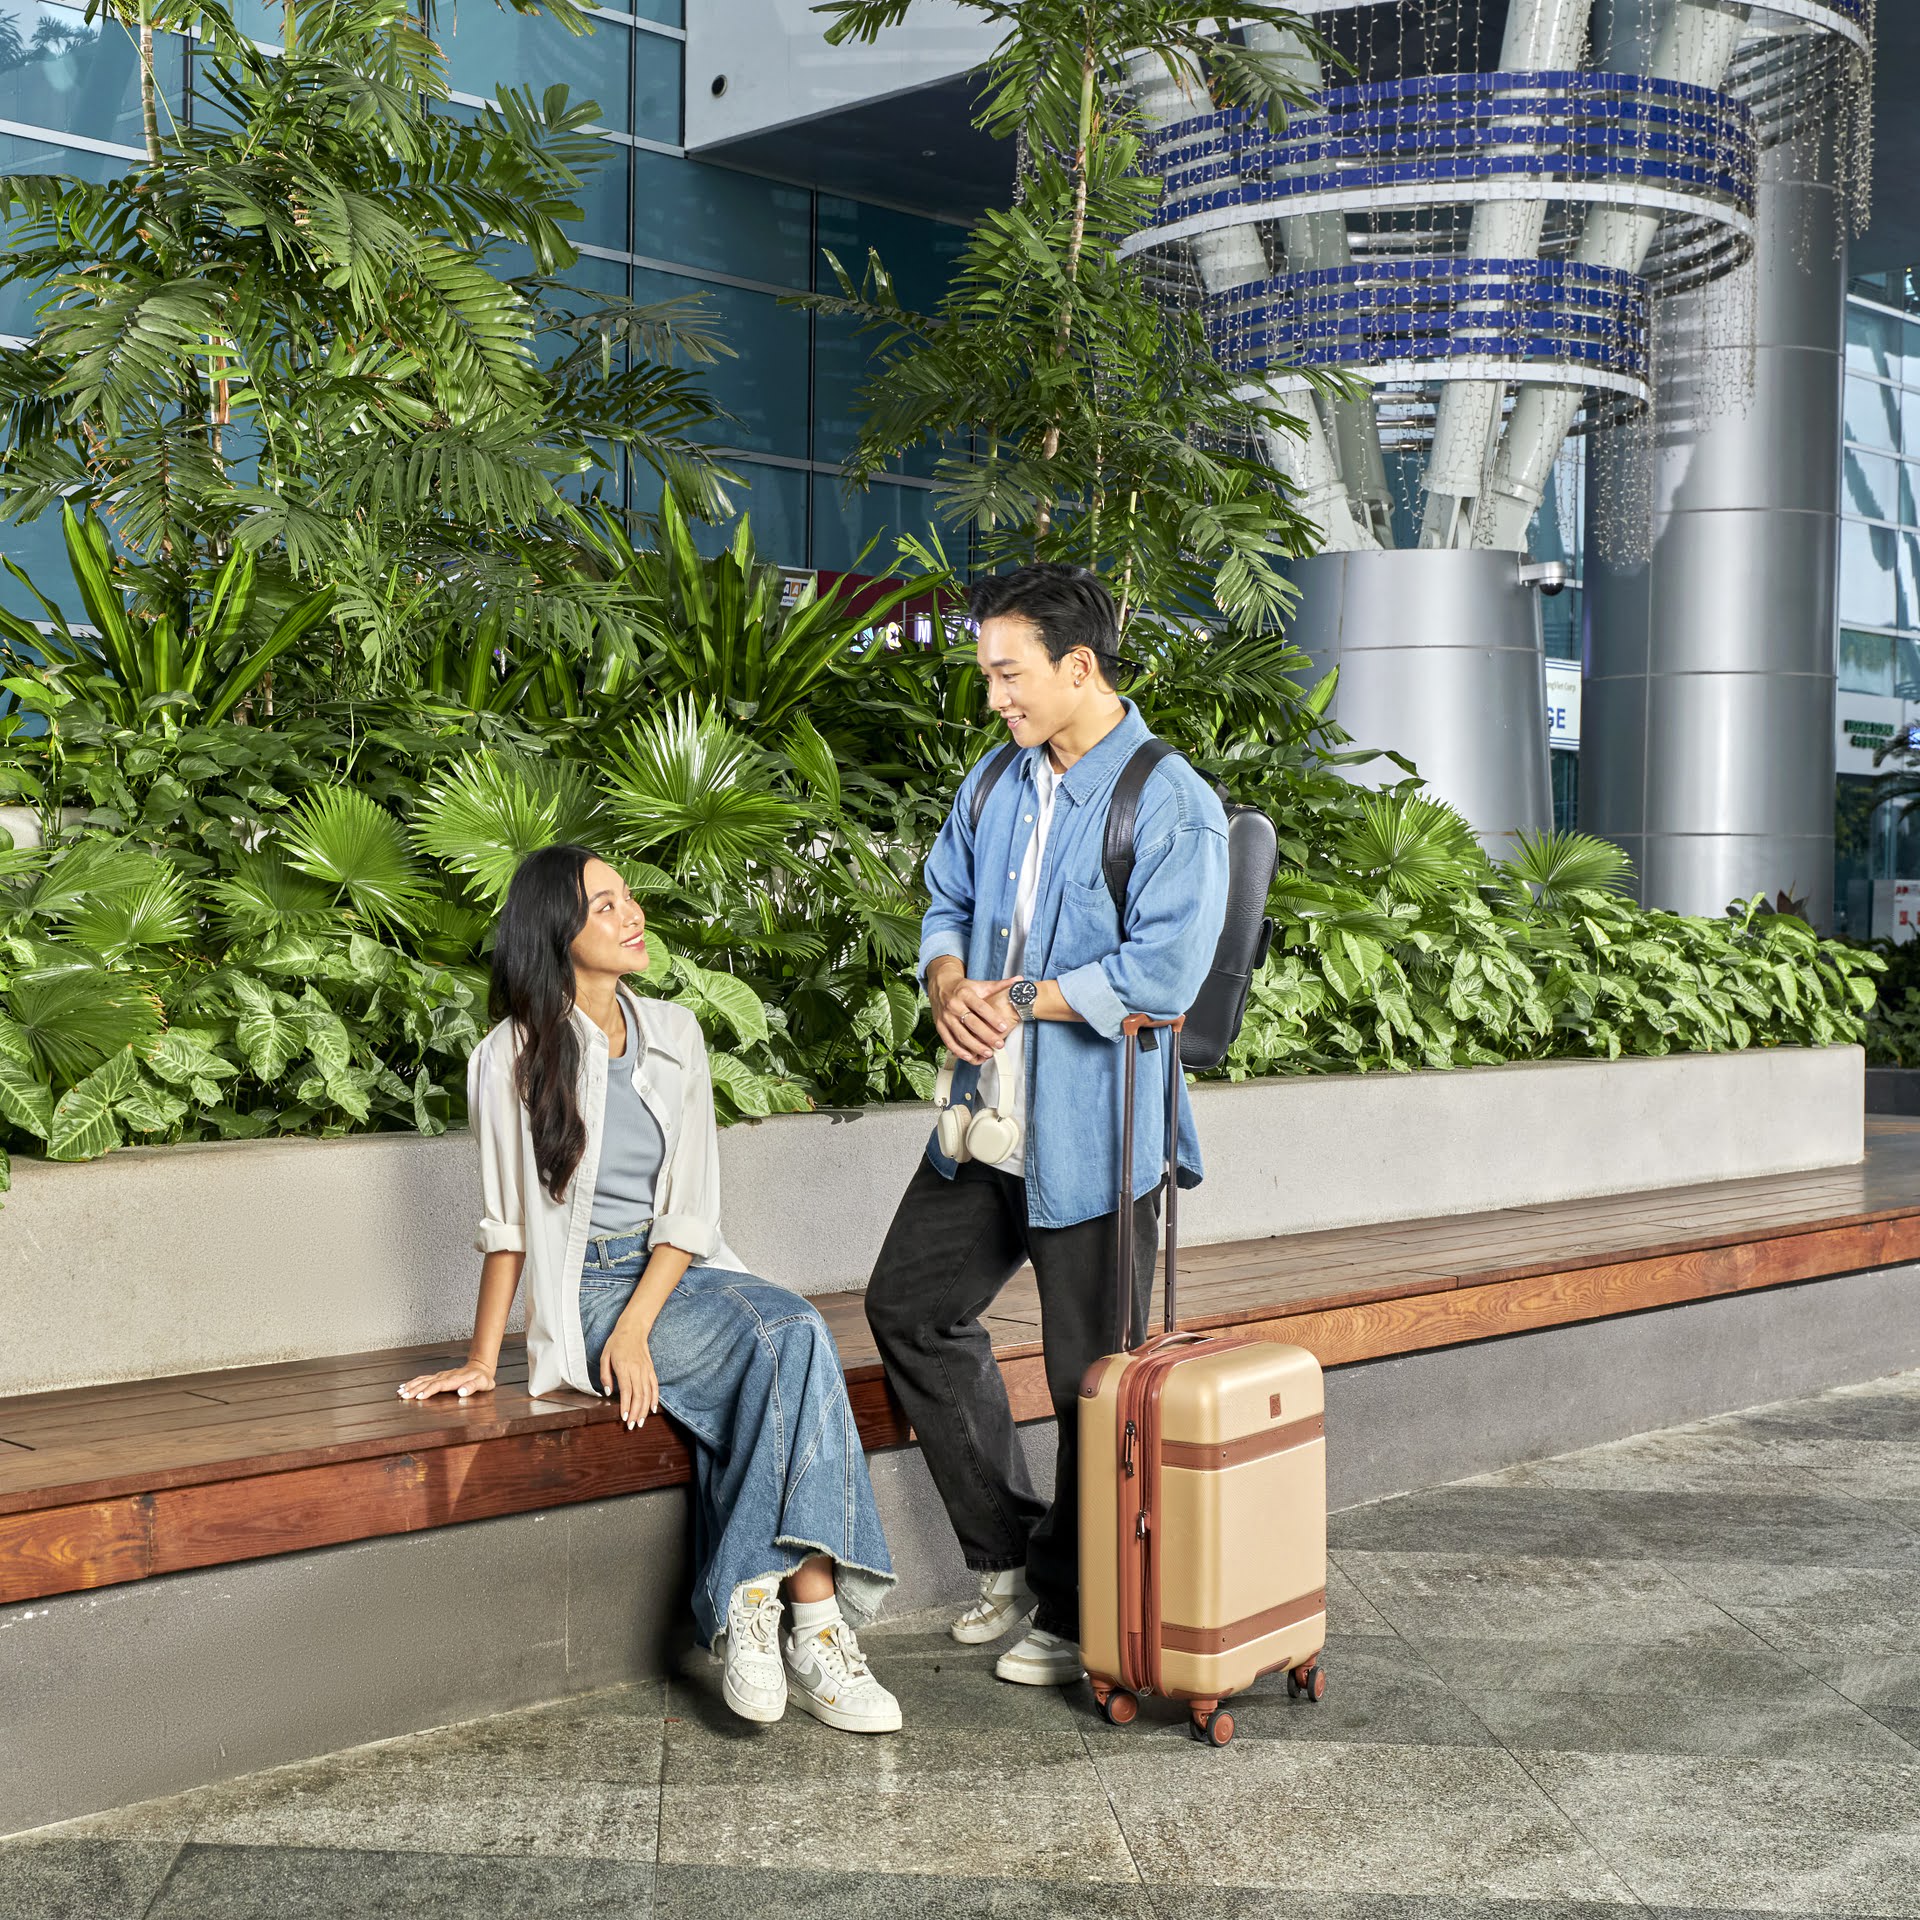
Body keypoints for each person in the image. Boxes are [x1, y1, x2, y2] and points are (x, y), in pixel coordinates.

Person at [400, 845, 901, 1735]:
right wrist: (484, 1358)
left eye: (626, 897)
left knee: (786, 1338)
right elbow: (507, 1226)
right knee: (785, 1343)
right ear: (558, 933)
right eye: (604, 907)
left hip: (676, 1275)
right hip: (583, 1292)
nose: (630, 914)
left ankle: (761, 1603)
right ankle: (813, 1626)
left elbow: (690, 1211)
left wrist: (638, 1333)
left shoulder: (675, 1033)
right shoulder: (507, 1055)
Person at [865, 563, 1230, 1687]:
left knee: (1094, 1381)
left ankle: (1081, 1615)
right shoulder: (995, 782)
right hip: (988, 1122)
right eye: (986, 675)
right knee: (911, 1311)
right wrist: (943, 983)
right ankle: (1015, 1558)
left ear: (1079, 667)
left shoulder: (1171, 801)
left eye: (1007, 675)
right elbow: (944, 901)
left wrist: (1016, 997)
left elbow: (1163, 973)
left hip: (1100, 1132)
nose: (994, 700)